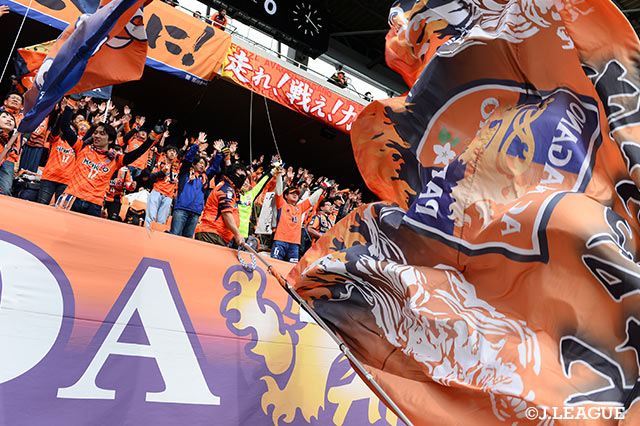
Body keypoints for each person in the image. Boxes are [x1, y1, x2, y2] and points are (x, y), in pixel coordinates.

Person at [55, 104, 155, 217]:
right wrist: (70, 106)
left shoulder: (116, 159)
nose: (96, 136)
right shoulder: (82, 148)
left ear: (110, 140)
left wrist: (152, 138)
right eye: (96, 133)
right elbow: (65, 128)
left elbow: (136, 153)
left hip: (94, 204)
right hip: (73, 198)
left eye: (102, 134)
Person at [170, 133, 222, 237]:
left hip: (195, 213)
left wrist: (219, 153)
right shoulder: (185, 173)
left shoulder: (205, 178)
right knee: (174, 235)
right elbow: (188, 159)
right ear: (193, 164)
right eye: (200, 163)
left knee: (188, 239)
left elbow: (214, 167)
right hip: (181, 209)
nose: (202, 165)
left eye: (204, 164)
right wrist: (197, 144)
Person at [271, 169, 323, 262]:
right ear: (286, 196)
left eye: (296, 194)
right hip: (280, 241)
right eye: (292, 193)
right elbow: (278, 191)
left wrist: (322, 189)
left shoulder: (300, 207)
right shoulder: (281, 204)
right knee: (275, 264)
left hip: (294, 244)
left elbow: (312, 200)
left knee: (291, 268)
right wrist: (279, 175)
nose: (295, 195)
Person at [194, 163, 247, 246]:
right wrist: (237, 234)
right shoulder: (226, 189)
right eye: (241, 176)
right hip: (212, 234)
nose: (243, 180)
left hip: (216, 235)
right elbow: (227, 214)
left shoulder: (228, 188)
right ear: (232, 174)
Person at [37, 115, 76, 204]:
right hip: (49, 178)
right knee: (41, 205)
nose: (69, 132)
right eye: (67, 129)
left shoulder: (77, 146)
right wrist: (61, 115)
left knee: (60, 208)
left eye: (72, 131)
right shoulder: (55, 140)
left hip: (66, 181)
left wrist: (93, 127)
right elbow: (55, 130)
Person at [145, 144, 179, 227]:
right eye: (170, 151)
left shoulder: (178, 166)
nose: (172, 153)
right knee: (150, 217)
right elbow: (151, 176)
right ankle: (146, 233)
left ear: (176, 155)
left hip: (168, 195)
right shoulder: (161, 163)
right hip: (157, 191)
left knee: (162, 221)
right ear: (166, 153)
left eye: (174, 152)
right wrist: (161, 172)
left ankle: (157, 235)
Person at [0, 92, 23, 196]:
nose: (15, 100)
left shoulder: (24, 120)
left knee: (5, 190)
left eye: (18, 99)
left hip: (9, 158)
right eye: (13, 98)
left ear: (22, 106)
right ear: (5, 101)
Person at [104, 145, 136, 220]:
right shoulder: (104, 164)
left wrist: (131, 186)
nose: (118, 153)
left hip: (116, 198)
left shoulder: (125, 170)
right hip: (102, 196)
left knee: (113, 219)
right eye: (116, 150)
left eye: (120, 151)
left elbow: (128, 185)